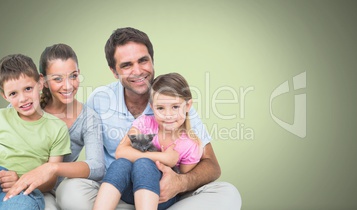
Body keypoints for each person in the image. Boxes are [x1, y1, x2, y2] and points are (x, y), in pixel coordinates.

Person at [86, 27, 242, 209]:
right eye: (127, 65)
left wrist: (180, 183)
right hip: (118, 191)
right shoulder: (100, 100)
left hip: (164, 192)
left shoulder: (175, 100)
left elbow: (211, 166)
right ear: (114, 71)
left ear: (152, 60)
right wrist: (163, 156)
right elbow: (103, 157)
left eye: (143, 60)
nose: (137, 71)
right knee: (70, 190)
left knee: (228, 194)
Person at [1, 44, 105, 210]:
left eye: (74, 76)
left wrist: (52, 168)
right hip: (13, 182)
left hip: (50, 191)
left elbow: (98, 166)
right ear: (43, 81)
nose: (68, 86)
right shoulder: (26, 105)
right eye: (57, 79)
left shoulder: (88, 118)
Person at [0, 54, 71, 209]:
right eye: (13, 94)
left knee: (23, 206)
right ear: (4, 95)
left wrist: (21, 180)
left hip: (21, 188)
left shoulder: (57, 128)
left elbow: (50, 181)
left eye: (28, 89)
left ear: (40, 83)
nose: (23, 98)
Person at [93, 73, 203, 210]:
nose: (168, 115)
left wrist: (169, 171)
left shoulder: (190, 145)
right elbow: (121, 152)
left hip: (162, 195)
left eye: (175, 107)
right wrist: (163, 157)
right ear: (152, 106)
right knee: (122, 163)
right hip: (131, 191)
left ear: (187, 106)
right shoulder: (145, 124)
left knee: (144, 164)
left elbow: (185, 184)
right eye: (160, 108)